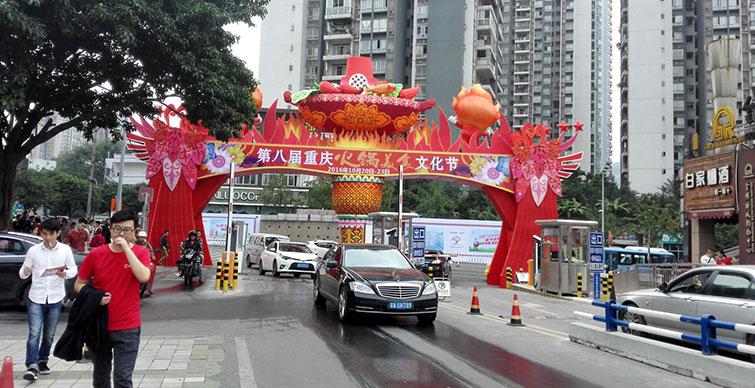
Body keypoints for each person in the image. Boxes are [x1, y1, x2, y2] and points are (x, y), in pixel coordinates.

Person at [74, 210, 150, 388]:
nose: (121, 234)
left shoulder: (141, 253)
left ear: (135, 231)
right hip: (100, 326)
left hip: (128, 327)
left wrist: (125, 248)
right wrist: (94, 297)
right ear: (110, 228)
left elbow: (143, 276)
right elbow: (79, 284)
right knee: (100, 378)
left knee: (122, 379)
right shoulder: (96, 254)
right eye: (117, 229)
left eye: (127, 230)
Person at [18, 219, 78, 381]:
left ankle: (43, 360)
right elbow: (22, 273)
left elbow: (73, 269)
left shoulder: (64, 250)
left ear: (58, 233)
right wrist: (26, 271)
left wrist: (65, 274)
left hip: (55, 297)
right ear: (40, 233)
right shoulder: (33, 251)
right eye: (44, 234)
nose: (47, 238)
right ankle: (31, 365)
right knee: (34, 333)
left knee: (49, 334)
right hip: (36, 297)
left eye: (51, 234)